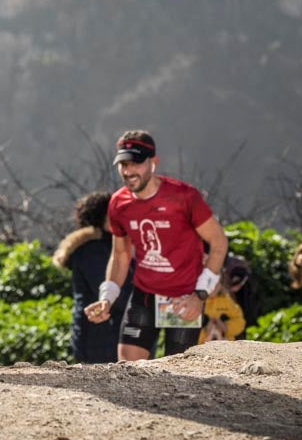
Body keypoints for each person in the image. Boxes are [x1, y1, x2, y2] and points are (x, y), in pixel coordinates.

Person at [84, 130, 229, 360]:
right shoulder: (119, 203)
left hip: (184, 297)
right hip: (144, 296)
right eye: (123, 164)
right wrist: (107, 298)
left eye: (136, 163)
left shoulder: (184, 197)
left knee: (178, 371)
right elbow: (120, 255)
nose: (128, 171)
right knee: (128, 369)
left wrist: (199, 295)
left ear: (154, 162)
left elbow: (219, 242)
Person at [52, 191, 131, 363]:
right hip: (99, 336)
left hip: (106, 333)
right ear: (105, 217)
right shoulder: (93, 251)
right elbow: (116, 294)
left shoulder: (107, 246)